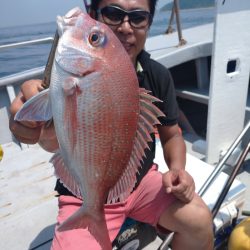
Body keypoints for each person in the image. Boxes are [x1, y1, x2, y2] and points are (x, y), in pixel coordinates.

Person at [9, 0, 214, 249]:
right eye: (113, 14)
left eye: (138, 17)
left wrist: (178, 169)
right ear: (95, 14)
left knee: (199, 220)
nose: (126, 27)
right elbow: (45, 138)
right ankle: (93, 213)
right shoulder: (62, 78)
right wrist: (25, 123)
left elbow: (171, 136)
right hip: (82, 192)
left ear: (149, 23)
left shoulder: (157, 75)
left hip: (140, 184)